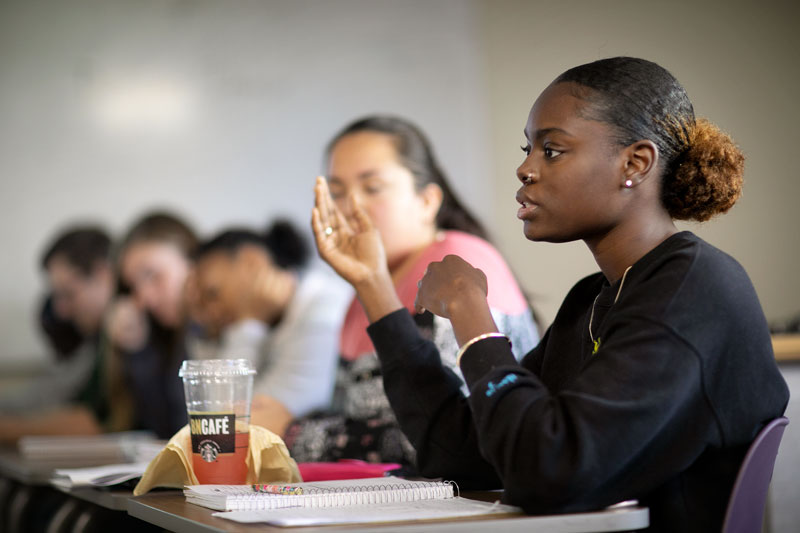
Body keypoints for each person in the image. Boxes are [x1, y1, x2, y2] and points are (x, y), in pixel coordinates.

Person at [311, 58, 790, 532]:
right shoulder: (593, 300)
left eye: (552, 150)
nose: (525, 168)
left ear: (635, 163)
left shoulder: (692, 290)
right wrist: (372, 284)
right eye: (528, 149)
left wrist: (472, 314)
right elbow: (458, 454)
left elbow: (552, 473)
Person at [287, 116, 539, 467]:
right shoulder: (362, 290)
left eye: (372, 188)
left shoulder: (454, 263)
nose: (350, 207)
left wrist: (293, 435)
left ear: (427, 201)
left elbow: (448, 436)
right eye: (338, 192)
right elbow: (349, 415)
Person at [187, 220, 352, 436]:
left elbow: (230, 424)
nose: (209, 313)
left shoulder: (325, 304)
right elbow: (212, 423)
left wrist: (248, 324)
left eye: (212, 294)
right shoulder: (265, 321)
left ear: (251, 262)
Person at [0, 226, 131, 443]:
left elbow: (90, 423)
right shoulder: (92, 338)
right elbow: (48, 393)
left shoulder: (128, 331)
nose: (60, 310)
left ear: (103, 274)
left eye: (68, 294)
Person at [107, 211, 197, 439]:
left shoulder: (222, 332)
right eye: (134, 285)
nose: (144, 297)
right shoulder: (167, 337)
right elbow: (167, 433)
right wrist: (138, 352)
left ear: (194, 261)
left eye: (152, 275)